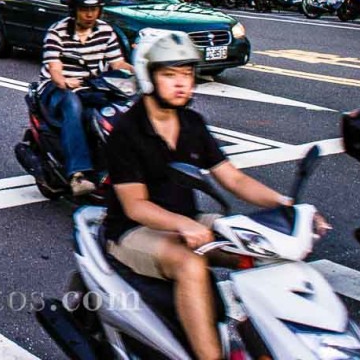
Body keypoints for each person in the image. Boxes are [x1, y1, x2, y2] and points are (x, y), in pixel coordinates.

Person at [105, 31, 331, 360]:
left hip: (190, 221)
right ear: (149, 76)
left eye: (187, 74)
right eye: (170, 75)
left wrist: (287, 206)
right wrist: (183, 225)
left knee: (267, 248)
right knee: (190, 264)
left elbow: (233, 178)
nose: (181, 83)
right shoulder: (128, 131)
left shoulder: (192, 123)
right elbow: (135, 205)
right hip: (133, 230)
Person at [37, 0, 133, 196]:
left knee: (113, 112)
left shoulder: (106, 31)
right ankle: (78, 174)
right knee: (72, 103)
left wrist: (142, 72)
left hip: (93, 87)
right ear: (73, 10)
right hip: (55, 89)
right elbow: (54, 68)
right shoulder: (57, 32)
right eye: (84, 9)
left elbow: (117, 63)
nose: (89, 14)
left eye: (94, 9)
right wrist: (64, 80)